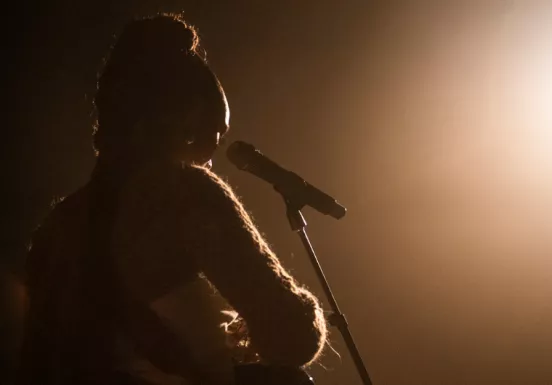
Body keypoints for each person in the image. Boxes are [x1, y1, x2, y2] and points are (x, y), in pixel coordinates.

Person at [17, 13, 327, 385]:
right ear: (188, 123)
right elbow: (291, 338)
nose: (215, 152)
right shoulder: (184, 191)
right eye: (216, 132)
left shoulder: (59, 224)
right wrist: (295, 313)